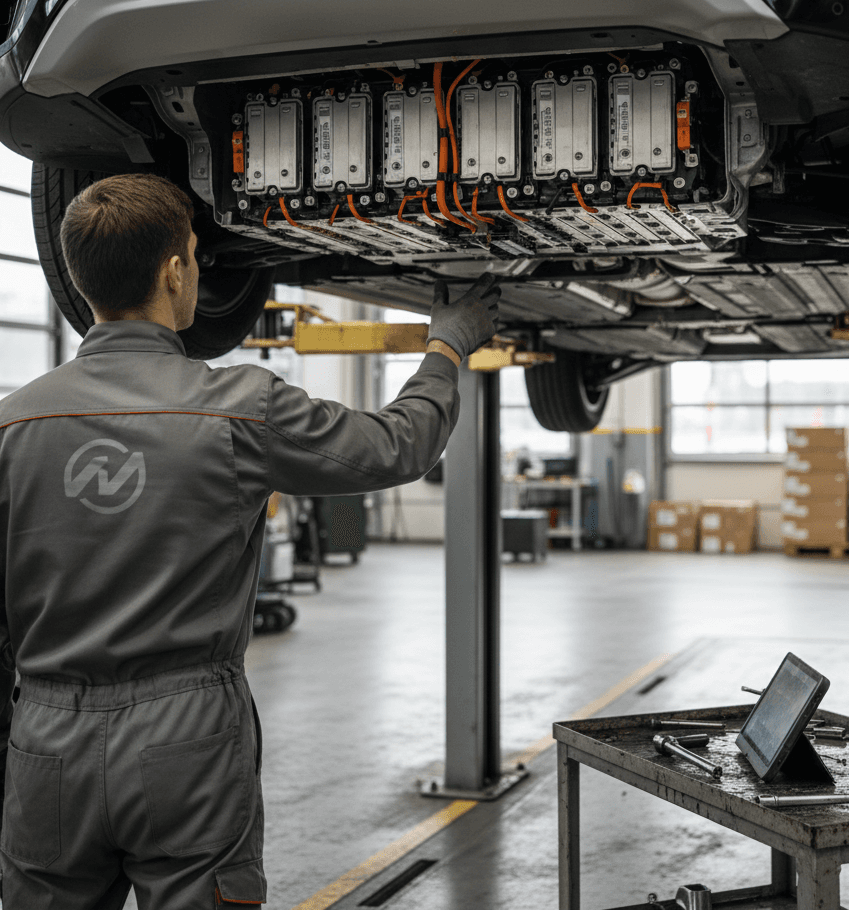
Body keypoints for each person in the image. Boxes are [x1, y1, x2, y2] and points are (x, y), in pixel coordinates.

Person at [0, 174, 500, 908]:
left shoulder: (11, 427)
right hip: (185, 739)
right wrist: (446, 347)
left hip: (43, 741)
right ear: (175, 272)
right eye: (196, 257)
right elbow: (398, 447)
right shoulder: (240, 406)